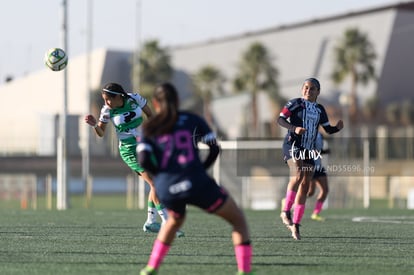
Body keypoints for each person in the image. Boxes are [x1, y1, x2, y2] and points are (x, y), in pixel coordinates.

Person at [137, 83, 253, 275]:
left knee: (173, 221)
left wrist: (162, 177)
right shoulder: (192, 119)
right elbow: (214, 148)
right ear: (178, 101)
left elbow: (143, 159)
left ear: (156, 103)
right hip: (197, 182)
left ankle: (151, 267)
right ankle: (244, 271)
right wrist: (200, 170)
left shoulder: (149, 126)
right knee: (238, 220)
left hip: (167, 186)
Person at [85, 82, 183, 236]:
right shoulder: (107, 110)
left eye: (108, 99)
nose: (106, 103)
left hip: (145, 145)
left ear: (118, 97)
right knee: (155, 182)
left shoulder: (134, 98)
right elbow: (101, 133)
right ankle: (166, 223)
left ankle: (151, 222)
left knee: (156, 182)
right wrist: (94, 125)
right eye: (104, 100)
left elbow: (151, 116)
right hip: (129, 150)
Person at [277, 78, 343, 240]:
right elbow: (280, 119)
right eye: (306, 87)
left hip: (308, 149)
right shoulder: (295, 104)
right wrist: (294, 128)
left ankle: (296, 224)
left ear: (318, 92)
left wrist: (336, 128)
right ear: (302, 90)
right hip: (293, 144)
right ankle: (285, 211)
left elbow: (327, 129)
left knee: (306, 185)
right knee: (298, 175)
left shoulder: (320, 109)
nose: (308, 90)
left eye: (312, 88)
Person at [307, 132, 330, 222]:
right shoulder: (307, 134)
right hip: (310, 166)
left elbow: (318, 150)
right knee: (309, 192)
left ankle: (315, 213)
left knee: (325, 190)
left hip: (319, 166)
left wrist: (324, 152)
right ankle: (288, 200)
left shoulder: (320, 134)